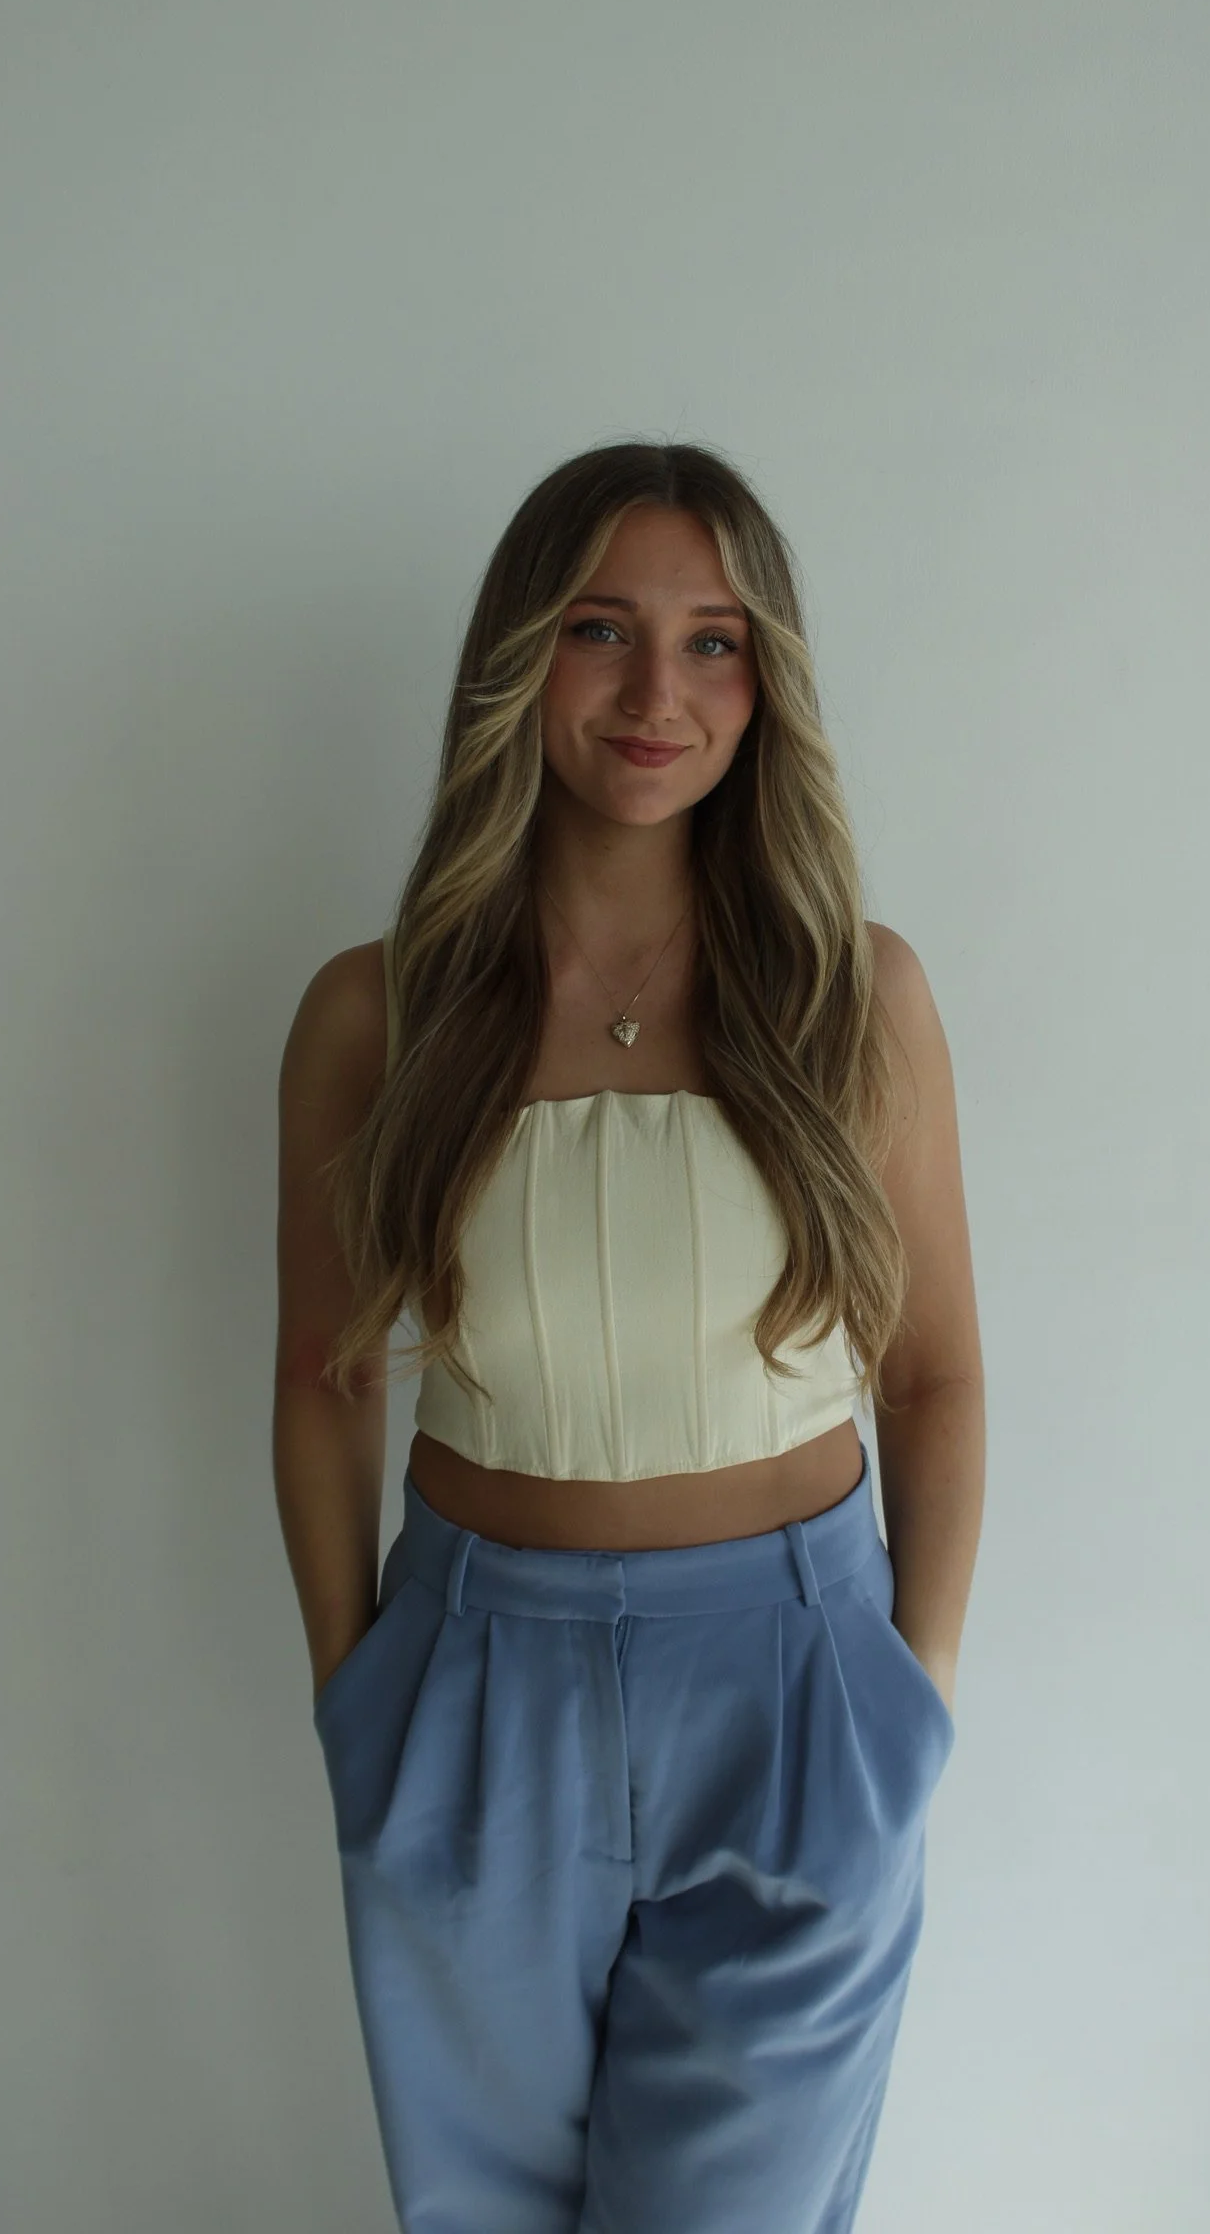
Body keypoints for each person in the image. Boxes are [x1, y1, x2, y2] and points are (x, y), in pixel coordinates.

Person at [274, 440, 985, 2234]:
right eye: (602, 629)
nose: (657, 691)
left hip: (796, 1692)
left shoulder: (853, 997)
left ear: (767, 684)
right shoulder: (381, 1013)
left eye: (714, 641)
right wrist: (358, 1693)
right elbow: (324, 1375)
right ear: (522, 657)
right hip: (469, 1687)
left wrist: (910, 1699)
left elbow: (932, 1372)